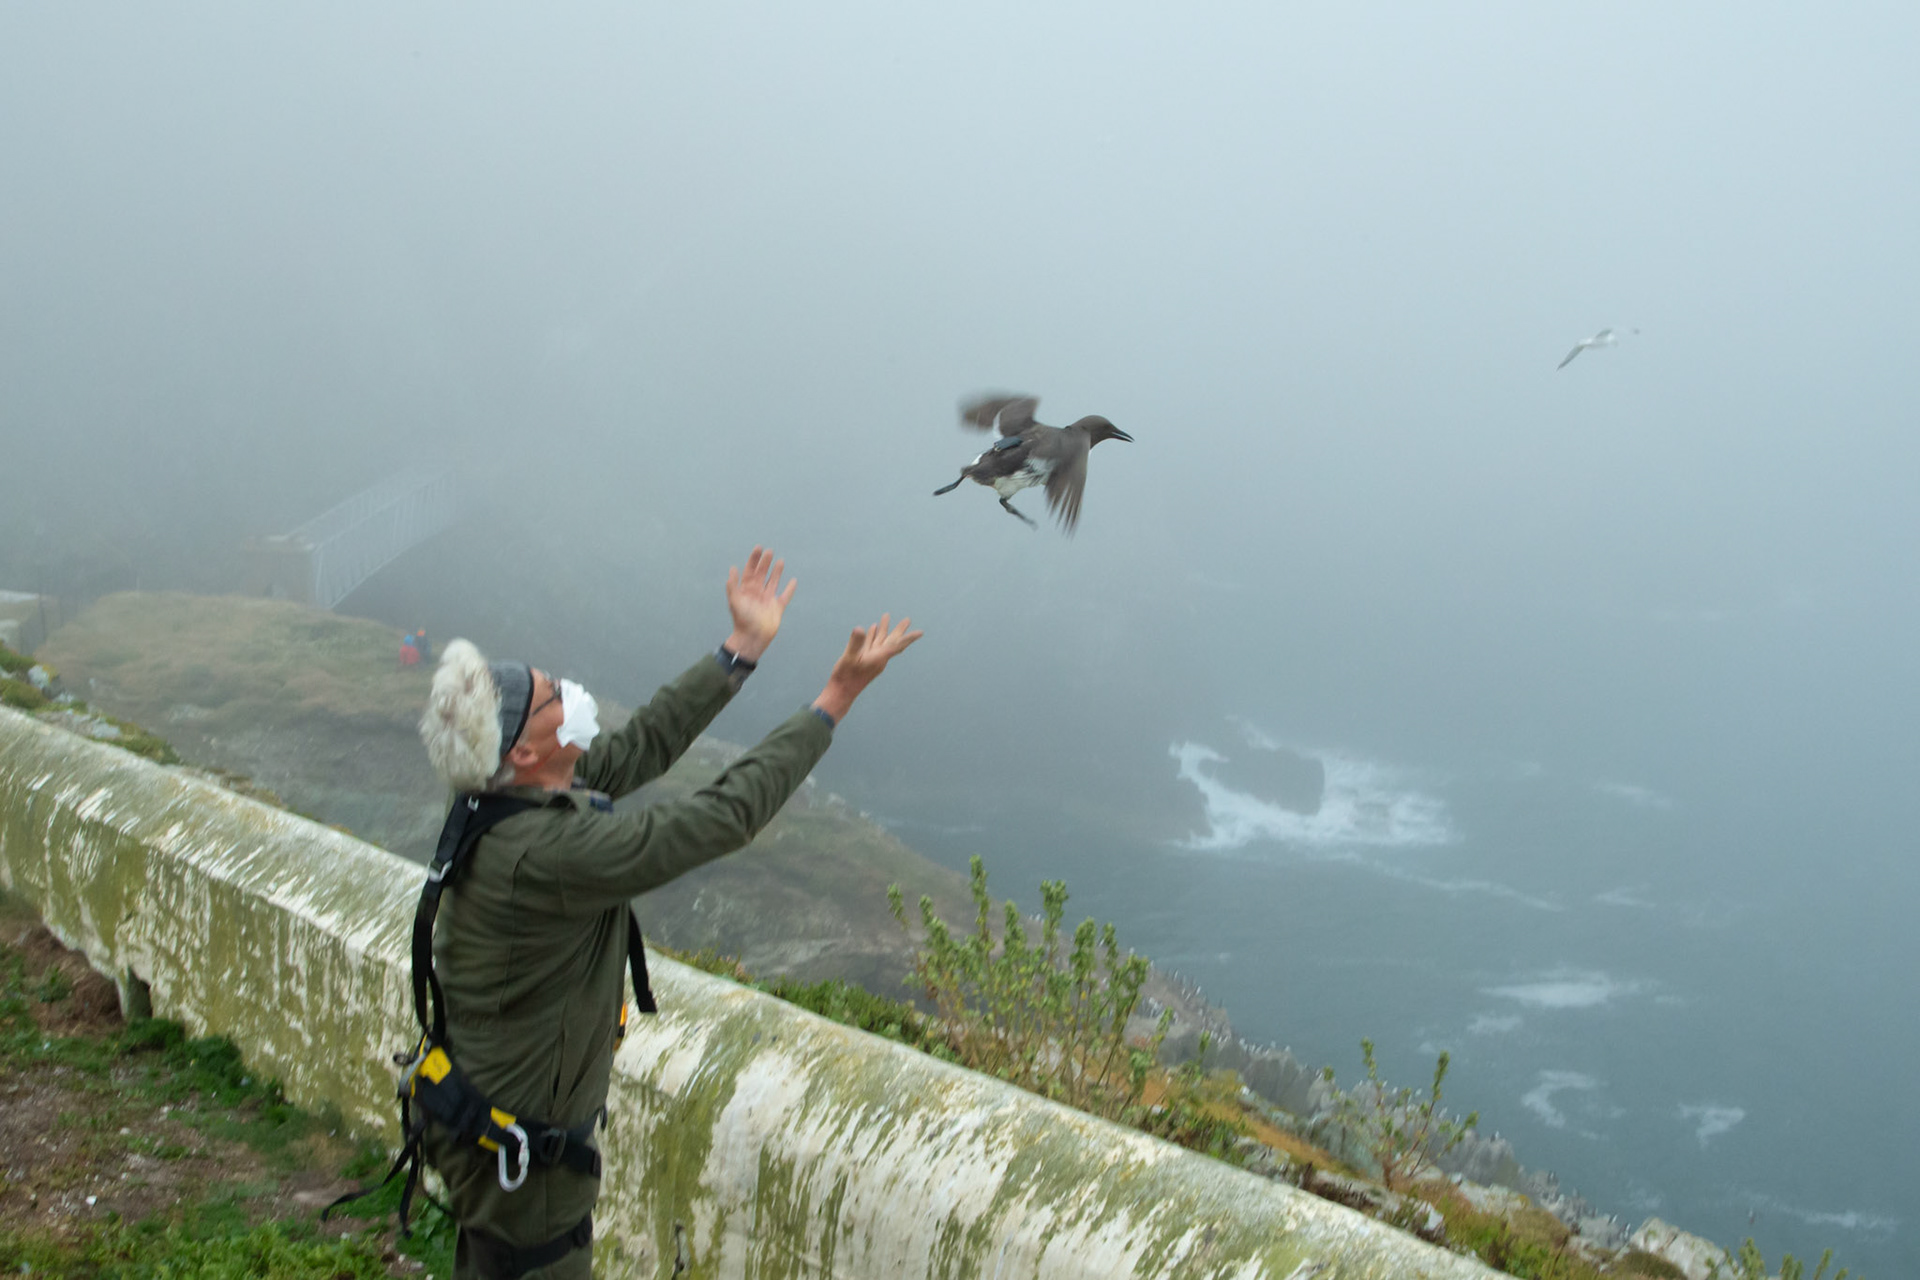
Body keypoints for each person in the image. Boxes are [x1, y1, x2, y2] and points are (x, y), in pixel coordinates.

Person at [412, 546, 921, 1279]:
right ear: (523, 751)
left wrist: (740, 649)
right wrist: (835, 697)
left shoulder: (501, 800)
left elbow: (640, 746)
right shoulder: (542, 853)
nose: (573, 698)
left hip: (487, 1129)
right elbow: (718, 817)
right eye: (557, 699)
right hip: (520, 1159)